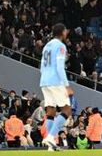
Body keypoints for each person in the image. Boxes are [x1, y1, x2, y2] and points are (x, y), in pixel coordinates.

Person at [39, 23, 73, 151]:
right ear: (62, 32)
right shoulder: (60, 46)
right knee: (67, 110)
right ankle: (50, 137)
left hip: (44, 81)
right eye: (65, 31)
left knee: (51, 112)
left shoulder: (47, 46)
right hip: (55, 81)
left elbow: (42, 66)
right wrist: (66, 85)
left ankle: (50, 144)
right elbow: (59, 67)